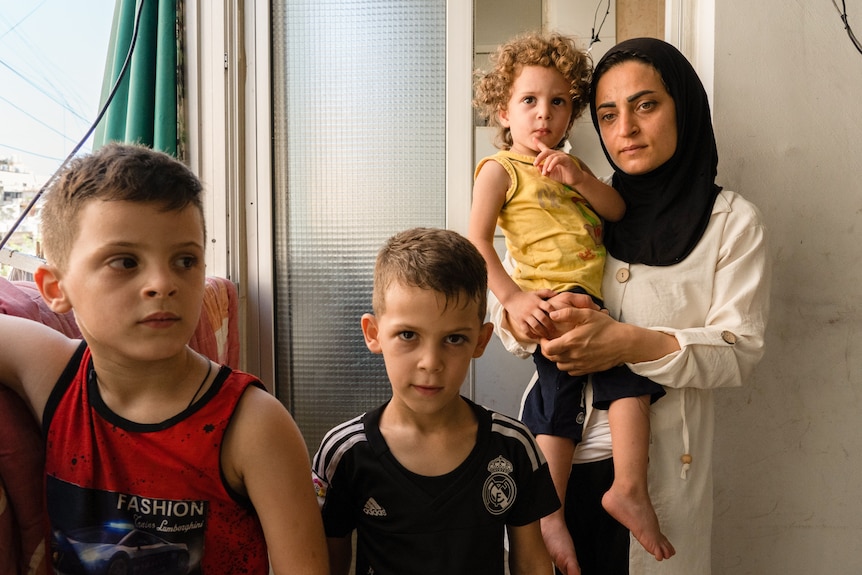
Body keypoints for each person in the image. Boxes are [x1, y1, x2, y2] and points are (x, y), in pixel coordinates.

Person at [489, 37, 771, 574]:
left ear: (682, 106)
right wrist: (534, 317)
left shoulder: (731, 223)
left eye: (646, 105)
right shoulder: (569, 199)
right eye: (608, 113)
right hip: (556, 461)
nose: (626, 129)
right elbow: (512, 317)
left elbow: (740, 351)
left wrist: (629, 342)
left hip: (656, 474)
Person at [0, 143, 329, 575]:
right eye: (125, 261)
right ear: (55, 288)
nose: (162, 283)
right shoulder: (52, 373)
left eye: (184, 260)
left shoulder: (253, 425)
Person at [468, 31, 673, 566]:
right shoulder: (500, 171)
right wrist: (512, 299)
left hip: (591, 306)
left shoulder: (567, 169)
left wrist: (579, 177)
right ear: (503, 110)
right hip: (550, 302)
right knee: (575, 398)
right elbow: (475, 242)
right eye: (529, 101)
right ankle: (557, 511)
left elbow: (617, 212)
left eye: (558, 102)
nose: (544, 115)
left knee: (606, 387)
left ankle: (615, 491)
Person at [311, 227, 560, 575]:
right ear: (373, 334)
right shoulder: (344, 452)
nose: (431, 362)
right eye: (408, 335)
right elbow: (326, 564)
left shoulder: (513, 446)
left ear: (481, 341)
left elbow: (533, 563)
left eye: (454, 338)